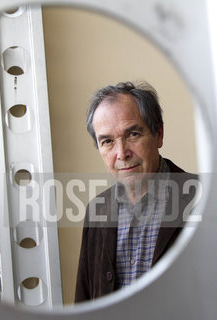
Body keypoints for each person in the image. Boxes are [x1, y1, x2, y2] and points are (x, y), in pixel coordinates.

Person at [75, 81, 198, 302]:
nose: (121, 153)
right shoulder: (96, 211)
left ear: (158, 134)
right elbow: (84, 300)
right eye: (108, 141)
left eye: (132, 134)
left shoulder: (204, 199)